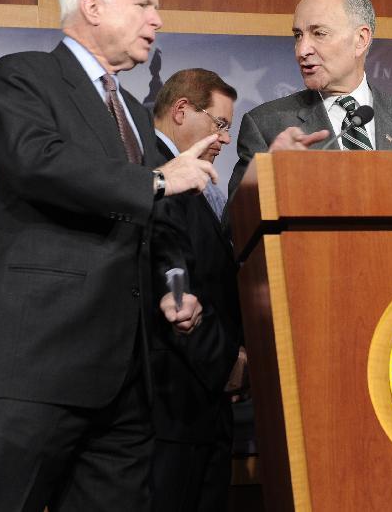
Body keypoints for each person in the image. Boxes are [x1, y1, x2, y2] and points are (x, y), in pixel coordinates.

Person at [0, 0, 218, 511]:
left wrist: (176, 293)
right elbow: (35, 160)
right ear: (92, 6)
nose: (158, 19)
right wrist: (153, 180)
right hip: (33, 370)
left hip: (126, 387)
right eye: (145, 4)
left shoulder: (131, 114)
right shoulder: (23, 75)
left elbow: (164, 234)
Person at [228, 0, 392, 198]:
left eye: (319, 33)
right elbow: (233, 225)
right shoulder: (266, 124)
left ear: (361, 40)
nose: (301, 50)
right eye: (298, 35)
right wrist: (266, 175)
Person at [150, 68, 244, 511]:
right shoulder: (156, 175)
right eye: (220, 123)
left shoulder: (203, 186)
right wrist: (225, 362)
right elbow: (172, 280)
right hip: (171, 405)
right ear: (182, 110)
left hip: (202, 404)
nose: (225, 138)